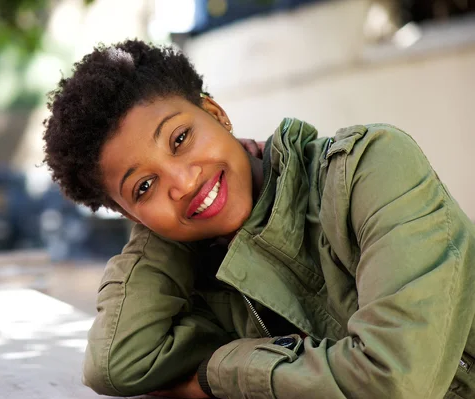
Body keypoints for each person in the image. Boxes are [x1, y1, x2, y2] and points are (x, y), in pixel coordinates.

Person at [42, 39, 475, 398]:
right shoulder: (201, 282)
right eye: (143, 186)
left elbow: (396, 382)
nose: (184, 180)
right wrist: (161, 226)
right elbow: (115, 364)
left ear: (216, 115)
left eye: (180, 138)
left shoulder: (370, 169)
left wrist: (219, 373)